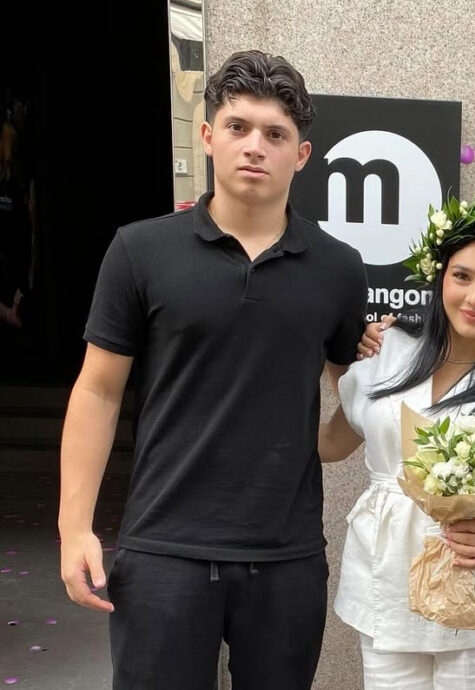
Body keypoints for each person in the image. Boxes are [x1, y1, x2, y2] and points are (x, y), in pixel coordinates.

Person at [58, 50, 367, 689]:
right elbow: (98, 391)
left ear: (301, 155)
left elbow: (353, 404)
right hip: (163, 549)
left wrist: (370, 397)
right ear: (207, 136)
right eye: (238, 127)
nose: (255, 146)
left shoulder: (339, 268)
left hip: (285, 557)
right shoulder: (140, 250)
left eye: (275, 134)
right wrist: (73, 527)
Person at [320, 194, 475, 689]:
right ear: (440, 277)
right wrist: (324, 349)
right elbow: (331, 445)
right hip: (389, 584)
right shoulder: (387, 352)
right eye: (462, 276)